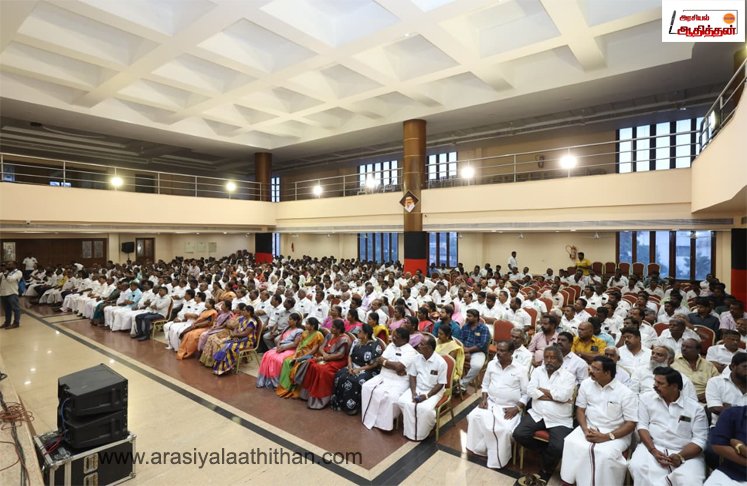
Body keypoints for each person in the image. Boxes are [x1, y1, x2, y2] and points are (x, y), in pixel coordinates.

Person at [560, 356, 638, 486]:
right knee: (571, 442)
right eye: (591, 367)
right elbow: (580, 410)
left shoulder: (626, 393)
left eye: (596, 369)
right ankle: (571, 481)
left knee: (605, 454)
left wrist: (606, 437)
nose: (590, 370)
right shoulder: (586, 384)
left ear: (607, 373)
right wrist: (585, 430)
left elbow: (631, 423)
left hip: (615, 433)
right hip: (589, 426)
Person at [628, 366, 708, 486]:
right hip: (652, 447)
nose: (655, 386)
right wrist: (653, 450)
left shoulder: (695, 408)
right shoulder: (646, 399)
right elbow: (642, 426)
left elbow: (700, 440)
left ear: (674, 386)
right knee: (637, 466)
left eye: (660, 383)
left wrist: (680, 456)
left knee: (690, 480)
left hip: (685, 453)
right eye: (655, 381)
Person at [513, 346, 576, 486]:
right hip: (537, 414)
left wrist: (541, 391)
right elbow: (530, 391)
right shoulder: (537, 371)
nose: (549, 360)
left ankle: (546, 467)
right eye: (546, 357)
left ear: (560, 360)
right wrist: (554, 395)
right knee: (519, 434)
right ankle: (545, 452)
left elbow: (563, 396)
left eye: (553, 357)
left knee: (559, 447)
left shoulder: (569, 376)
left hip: (559, 419)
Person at [465, 340, 528, 469]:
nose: (498, 353)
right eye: (498, 350)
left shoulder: (521, 369)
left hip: (509, 408)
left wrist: (517, 408)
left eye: (502, 351)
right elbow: (485, 385)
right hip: (490, 403)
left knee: (504, 430)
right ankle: (478, 449)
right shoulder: (492, 364)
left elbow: (526, 394)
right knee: (473, 416)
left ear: (511, 352)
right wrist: (484, 399)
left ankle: (499, 457)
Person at [362, 327, 419, 432]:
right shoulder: (391, 345)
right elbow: (380, 360)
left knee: (391, 397)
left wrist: (388, 363)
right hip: (385, 375)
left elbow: (399, 367)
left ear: (404, 340)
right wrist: (392, 365)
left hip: (400, 380)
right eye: (393, 336)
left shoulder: (410, 352)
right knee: (366, 387)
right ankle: (370, 418)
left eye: (396, 337)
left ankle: (384, 424)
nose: (393, 338)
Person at [396, 333, 448, 441]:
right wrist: (413, 392)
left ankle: (427, 429)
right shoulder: (416, 358)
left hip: (434, 391)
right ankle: (411, 430)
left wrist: (427, 396)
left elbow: (440, 384)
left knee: (425, 409)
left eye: (421, 344)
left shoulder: (441, 363)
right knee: (402, 401)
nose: (418, 346)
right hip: (418, 388)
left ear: (429, 348)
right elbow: (412, 376)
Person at [298, 319, 351, 409]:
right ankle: (307, 395)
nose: (331, 328)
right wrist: (324, 355)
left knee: (322, 370)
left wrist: (326, 357)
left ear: (339, 329)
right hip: (325, 356)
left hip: (338, 361)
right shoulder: (330, 335)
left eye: (333, 327)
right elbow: (321, 347)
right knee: (310, 364)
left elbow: (340, 355)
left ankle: (320, 399)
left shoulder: (344, 339)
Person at [331, 324, 383, 415]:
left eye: (360, 331)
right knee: (340, 375)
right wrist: (350, 367)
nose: (357, 333)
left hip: (368, 369)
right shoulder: (356, 342)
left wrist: (359, 369)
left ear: (366, 334)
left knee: (354, 380)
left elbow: (375, 364)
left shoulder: (375, 345)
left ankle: (351, 407)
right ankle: (339, 402)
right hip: (354, 366)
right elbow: (350, 356)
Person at [275, 317, 326, 398]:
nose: (305, 325)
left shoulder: (318, 335)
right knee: (287, 361)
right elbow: (299, 345)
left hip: (309, 355)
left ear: (312, 326)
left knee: (296, 366)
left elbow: (313, 350)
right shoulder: (304, 333)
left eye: (307, 324)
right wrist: (296, 354)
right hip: (299, 353)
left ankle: (293, 388)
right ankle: (286, 387)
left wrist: (301, 358)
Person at [205, 305, 258, 374]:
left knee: (230, 347)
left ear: (249, 312)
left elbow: (246, 333)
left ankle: (227, 368)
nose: (242, 311)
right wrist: (234, 334)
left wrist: (235, 335)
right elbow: (236, 328)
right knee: (222, 343)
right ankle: (219, 368)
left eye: (244, 310)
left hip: (247, 340)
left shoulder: (252, 322)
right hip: (238, 337)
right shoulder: (242, 319)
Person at [256, 313, 303, 389]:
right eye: (289, 319)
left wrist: (283, 348)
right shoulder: (286, 328)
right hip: (280, 347)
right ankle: (266, 380)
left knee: (278, 360)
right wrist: (278, 346)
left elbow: (295, 344)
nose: (288, 320)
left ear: (296, 321)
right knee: (267, 355)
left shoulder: (299, 331)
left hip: (291, 349)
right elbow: (280, 339)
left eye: (290, 319)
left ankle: (276, 382)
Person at [705, 406, 747, 486]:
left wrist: (739, 446)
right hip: (731, 473)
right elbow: (718, 445)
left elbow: (732, 442)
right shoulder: (733, 413)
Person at [672, 338, 719, 402]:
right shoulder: (672, 361)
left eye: (688, 347)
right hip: (680, 398)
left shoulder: (708, 365)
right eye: (683, 346)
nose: (684, 349)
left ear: (698, 350)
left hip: (706, 399)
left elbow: (717, 384)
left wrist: (707, 395)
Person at [706, 352, 747, 425]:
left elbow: (722, 410)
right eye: (745, 367)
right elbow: (715, 408)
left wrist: (731, 408)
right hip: (723, 426)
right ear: (732, 367)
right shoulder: (715, 382)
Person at [458, 308, 490, 392]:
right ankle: (455, 381)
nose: (467, 318)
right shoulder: (465, 326)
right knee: (452, 361)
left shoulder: (483, 328)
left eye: (470, 316)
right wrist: (464, 351)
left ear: (476, 317)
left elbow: (482, 344)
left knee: (476, 366)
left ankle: (463, 383)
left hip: (478, 352)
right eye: (467, 316)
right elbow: (460, 340)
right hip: (464, 350)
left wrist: (468, 350)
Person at [0, 262, 23, 329]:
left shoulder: (18, 272)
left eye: (10, 264)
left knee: (16, 309)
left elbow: (11, 279)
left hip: (12, 293)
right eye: (7, 264)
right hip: (3, 293)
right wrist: (4, 272)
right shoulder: (4, 272)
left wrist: (5, 273)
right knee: (7, 309)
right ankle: (7, 323)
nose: (7, 265)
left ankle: (16, 323)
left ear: (15, 265)